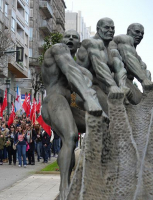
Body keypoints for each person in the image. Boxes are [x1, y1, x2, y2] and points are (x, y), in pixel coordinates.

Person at [41, 29, 103, 198]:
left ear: (78, 43)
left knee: (99, 124)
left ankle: (91, 174)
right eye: (67, 36)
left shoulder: (78, 65)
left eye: (74, 37)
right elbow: (69, 71)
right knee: (70, 135)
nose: (69, 39)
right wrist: (90, 99)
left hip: (67, 106)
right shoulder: (58, 49)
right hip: (54, 101)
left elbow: (86, 80)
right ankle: (64, 188)